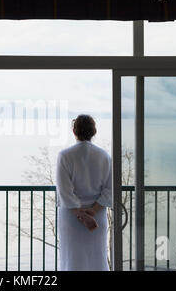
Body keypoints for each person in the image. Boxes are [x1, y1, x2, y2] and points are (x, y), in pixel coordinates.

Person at [56, 114, 113, 271]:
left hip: (71, 219)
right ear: (93, 132)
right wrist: (93, 211)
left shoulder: (65, 156)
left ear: (74, 131)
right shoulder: (104, 156)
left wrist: (81, 215)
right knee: (97, 260)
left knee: (72, 261)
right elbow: (110, 190)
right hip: (97, 216)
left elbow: (64, 191)